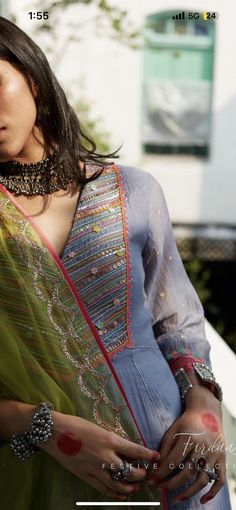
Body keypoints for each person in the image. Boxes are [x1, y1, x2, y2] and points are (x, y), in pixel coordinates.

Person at [0, 16, 232, 510]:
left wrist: (205, 411)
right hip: (41, 471)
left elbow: (179, 324)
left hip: (176, 468)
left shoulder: (133, 189)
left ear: (32, 79)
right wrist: (43, 427)